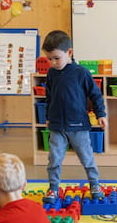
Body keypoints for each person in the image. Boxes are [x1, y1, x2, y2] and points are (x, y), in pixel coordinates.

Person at [40, 30, 107, 204]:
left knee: (87, 157)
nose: (53, 62)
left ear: (69, 53)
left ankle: (95, 184)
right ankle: (53, 187)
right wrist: (48, 116)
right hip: (57, 126)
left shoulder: (81, 72)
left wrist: (101, 114)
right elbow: (49, 97)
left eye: (56, 58)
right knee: (54, 158)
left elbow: (95, 95)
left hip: (78, 125)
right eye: (49, 59)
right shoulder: (51, 73)